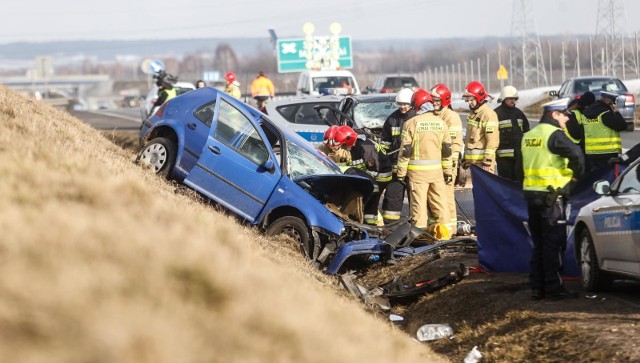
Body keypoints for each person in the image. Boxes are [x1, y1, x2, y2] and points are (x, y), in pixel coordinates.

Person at [520, 99, 584, 300]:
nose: (567, 118)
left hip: (532, 196)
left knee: (538, 244)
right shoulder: (554, 135)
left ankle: (537, 287)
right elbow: (578, 156)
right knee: (553, 244)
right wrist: (572, 182)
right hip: (552, 198)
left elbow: (517, 168)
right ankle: (553, 288)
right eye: (564, 114)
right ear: (554, 114)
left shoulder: (528, 136)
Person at [396, 89, 452, 236]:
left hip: (417, 175)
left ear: (416, 105)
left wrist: (401, 174)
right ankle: (446, 236)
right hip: (437, 173)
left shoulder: (410, 124)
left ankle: (419, 237)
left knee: (419, 208)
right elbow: (447, 151)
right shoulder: (441, 123)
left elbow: (405, 152)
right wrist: (448, 172)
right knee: (440, 205)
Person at [335, 125, 392, 226]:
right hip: (370, 174)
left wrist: (364, 184)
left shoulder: (365, 147)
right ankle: (369, 223)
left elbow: (374, 170)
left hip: (381, 175)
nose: (342, 147)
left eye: (343, 144)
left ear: (348, 140)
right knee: (368, 202)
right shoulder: (353, 148)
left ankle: (373, 226)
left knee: (372, 200)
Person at [430, 83, 463, 235]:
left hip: (448, 163)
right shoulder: (434, 115)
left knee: (447, 196)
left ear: (445, 100)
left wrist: (450, 166)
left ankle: (451, 230)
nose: (434, 102)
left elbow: (455, 144)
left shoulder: (451, 117)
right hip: (436, 163)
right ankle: (440, 229)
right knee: (436, 197)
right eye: (432, 99)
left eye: (437, 100)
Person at [379, 88, 415, 224]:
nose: (402, 107)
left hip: (413, 168)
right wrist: (385, 161)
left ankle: (417, 225)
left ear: (412, 103)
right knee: (392, 199)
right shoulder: (392, 119)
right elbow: (385, 145)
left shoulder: (417, 118)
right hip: (395, 169)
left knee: (416, 199)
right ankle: (390, 226)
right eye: (400, 104)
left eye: (405, 104)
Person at [576, 91, 626, 172]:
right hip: (608, 153)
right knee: (608, 177)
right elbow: (622, 126)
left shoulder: (585, 113)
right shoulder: (605, 113)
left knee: (595, 177)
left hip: (591, 153)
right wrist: (616, 112)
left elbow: (582, 133)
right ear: (611, 102)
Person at [462, 81, 500, 174]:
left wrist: (487, 162)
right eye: (468, 100)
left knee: (485, 189)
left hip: (483, 165)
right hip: (473, 164)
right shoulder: (474, 114)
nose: (469, 103)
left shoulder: (488, 115)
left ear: (479, 98)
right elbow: (469, 140)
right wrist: (465, 159)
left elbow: (492, 141)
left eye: (471, 100)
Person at [494, 85, 530, 182]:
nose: (512, 101)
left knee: (519, 181)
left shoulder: (519, 113)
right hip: (503, 158)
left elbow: (526, 132)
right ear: (503, 99)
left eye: (514, 98)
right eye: (510, 98)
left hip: (518, 156)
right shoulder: (496, 114)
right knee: (506, 183)